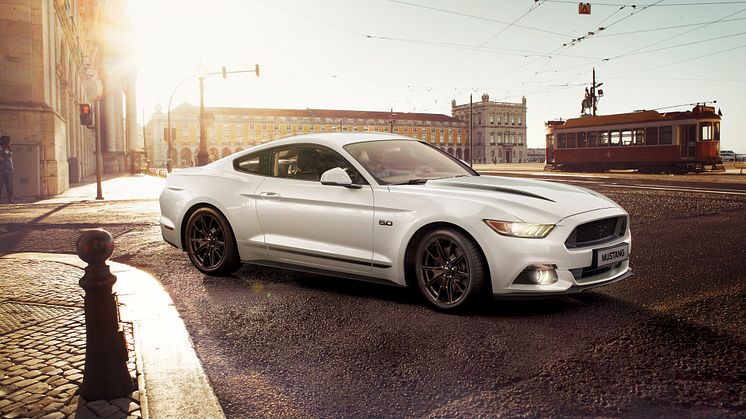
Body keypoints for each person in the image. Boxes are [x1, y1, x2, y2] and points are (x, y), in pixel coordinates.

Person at [0, 135, 13, 203]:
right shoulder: (0, 150)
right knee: (0, 186)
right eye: (9, 141)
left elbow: (9, 159)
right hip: (1, 170)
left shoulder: (9, 149)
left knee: (10, 186)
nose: (11, 142)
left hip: (9, 170)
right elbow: (2, 159)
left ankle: (10, 200)